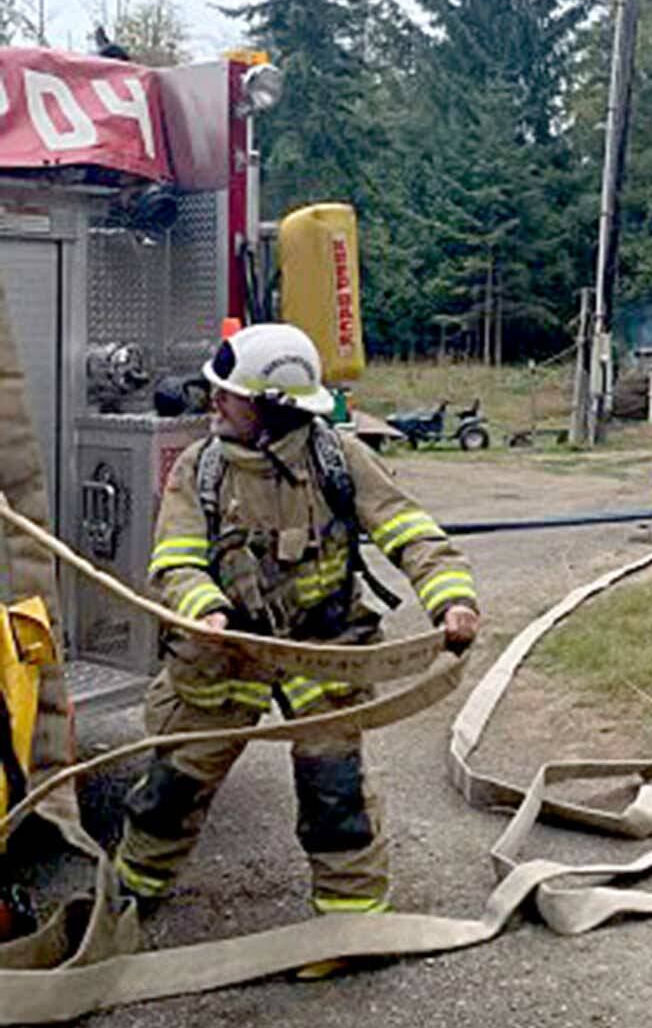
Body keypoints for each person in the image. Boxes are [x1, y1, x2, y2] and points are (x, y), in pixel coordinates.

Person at [114, 322, 480, 938]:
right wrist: (206, 609)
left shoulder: (337, 458)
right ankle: (130, 897)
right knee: (172, 786)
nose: (213, 404)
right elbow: (174, 560)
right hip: (224, 655)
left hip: (323, 652)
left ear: (270, 408)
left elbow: (409, 531)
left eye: (227, 396)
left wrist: (452, 602)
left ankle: (351, 925)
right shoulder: (200, 470)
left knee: (334, 792)